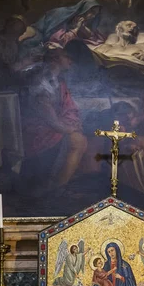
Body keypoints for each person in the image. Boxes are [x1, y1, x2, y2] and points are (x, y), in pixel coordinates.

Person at [20, 48, 87, 192]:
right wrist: (65, 127)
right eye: (67, 56)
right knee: (78, 141)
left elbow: (68, 106)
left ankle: (58, 185)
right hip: (37, 128)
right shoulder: (40, 78)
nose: (71, 60)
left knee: (79, 139)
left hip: (53, 124)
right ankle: (56, 187)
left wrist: (70, 121)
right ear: (55, 59)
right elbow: (45, 112)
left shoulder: (57, 80)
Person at [32, 0, 106, 48]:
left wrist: (82, 28)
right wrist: (76, 29)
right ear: (85, 8)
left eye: (95, 14)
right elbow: (60, 40)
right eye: (92, 12)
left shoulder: (81, 20)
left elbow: (95, 38)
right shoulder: (65, 16)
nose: (93, 16)